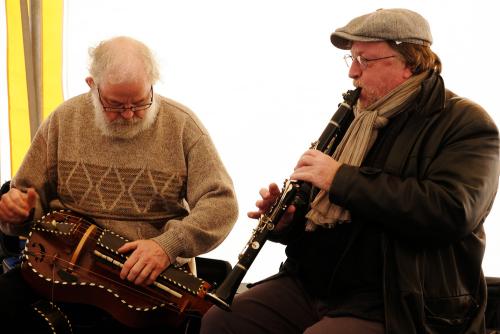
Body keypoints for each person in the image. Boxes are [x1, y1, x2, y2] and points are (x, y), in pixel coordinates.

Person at [201, 8, 499, 334]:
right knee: (222, 322)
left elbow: (453, 211)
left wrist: (339, 178)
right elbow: (327, 213)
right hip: (317, 285)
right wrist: (288, 221)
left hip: (398, 298)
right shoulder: (355, 119)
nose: (353, 73)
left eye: (365, 60)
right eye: (351, 59)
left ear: (410, 63)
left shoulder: (464, 122)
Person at [0, 36, 238, 332]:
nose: (128, 114)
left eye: (139, 103)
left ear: (153, 83)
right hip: (65, 265)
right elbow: (25, 199)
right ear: (91, 84)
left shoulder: (182, 126)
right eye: (115, 104)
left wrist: (167, 246)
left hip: (145, 279)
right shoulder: (63, 120)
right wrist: (16, 213)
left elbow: (222, 203)